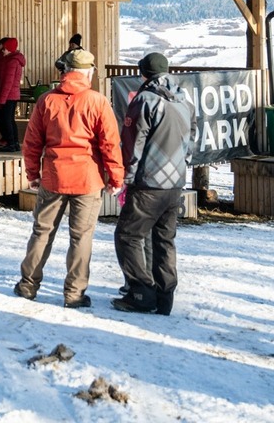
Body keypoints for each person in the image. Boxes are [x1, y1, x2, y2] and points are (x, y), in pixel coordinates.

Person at [14, 49, 123, 309]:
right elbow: (110, 144)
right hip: (87, 178)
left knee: (42, 232)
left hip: (53, 177)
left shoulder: (46, 101)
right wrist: (115, 176)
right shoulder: (97, 101)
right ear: (88, 72)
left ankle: (28, 285)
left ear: (65, 71)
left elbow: (31, 143)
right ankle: (74, 294)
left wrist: (33, 174)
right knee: (81, 237)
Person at [112, 52, 197, 317]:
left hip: (148, 182)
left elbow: (133, 143)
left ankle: (141, 292)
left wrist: (126, 175)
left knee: (127, 236)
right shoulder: (184, 101)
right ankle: (165, 296)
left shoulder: (145, 100)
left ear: (143, 73)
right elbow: (191, 140)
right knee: (165, 240)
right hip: (175, 184)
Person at [0, 37, 26, 152]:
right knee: (10, 120)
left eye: (5, 48)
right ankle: (15, 143)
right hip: (12, 95)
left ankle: (12, 143)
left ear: (10, 49)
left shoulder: (12, 62)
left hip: (9, 95)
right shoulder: (11, 59)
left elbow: (8, 82)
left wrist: (2, 99)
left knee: (7, 120)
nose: (2, 50)